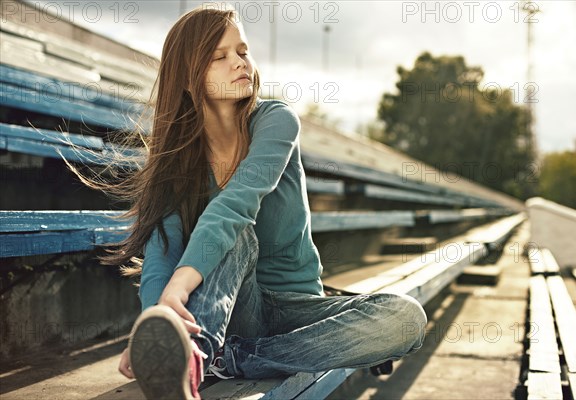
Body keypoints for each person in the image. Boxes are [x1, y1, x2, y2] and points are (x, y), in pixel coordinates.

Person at [106, 4, 427, 399]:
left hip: (296, 311)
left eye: (242, 51)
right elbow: (163, 251)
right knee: (235, 236)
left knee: (405, 318)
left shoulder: (275, 121)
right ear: (189, 79)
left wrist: (179, 288)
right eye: (219, 57)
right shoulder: (177, 162)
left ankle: (227, 359)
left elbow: (238, 203)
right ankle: (192, 352)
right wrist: (155, 322)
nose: (239, 63)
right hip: (228, 311)